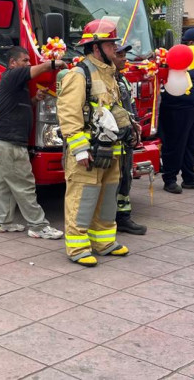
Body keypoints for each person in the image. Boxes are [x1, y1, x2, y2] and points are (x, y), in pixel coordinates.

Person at [56, 20, 131, 266]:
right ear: (96, 47)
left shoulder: (110, 74)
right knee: (83, 198)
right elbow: (68, 114)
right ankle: (77, 248)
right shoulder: (79, 74)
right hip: (88, 153)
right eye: (110, 44)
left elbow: (112, 109)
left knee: (108, 197)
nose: (115, 48)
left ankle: (104, 242)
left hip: (111, 151)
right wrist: (79, 150)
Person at [0, 46, 65, 240]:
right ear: (13, 63)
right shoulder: (12, 75)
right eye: (25, 60)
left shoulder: (15, 84)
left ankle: (1, 222)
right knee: (24, 184)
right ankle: (38, 225)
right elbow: (40, 69)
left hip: (3, 141)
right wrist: (55, 63)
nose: (29, 64)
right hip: (10, 143)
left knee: (4, 184)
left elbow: (18, 107)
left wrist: (35, 99)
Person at [160, 29, 194, 193]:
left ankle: (189, 178)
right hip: (178, 110)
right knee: (176, 145)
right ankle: (170, 179)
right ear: (189, 43)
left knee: (192, 144)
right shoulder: (176, 57)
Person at [113, 44, 147, 235]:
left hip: (127, 137)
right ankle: (109, 219)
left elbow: (131, 106)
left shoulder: (122, 79)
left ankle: (123, 218)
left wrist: (136, 126)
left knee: (126, 179)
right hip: (114, 139)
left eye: (125, 55)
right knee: (113, 181)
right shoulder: (106, 80)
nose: (124, 59)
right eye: (119, 55)